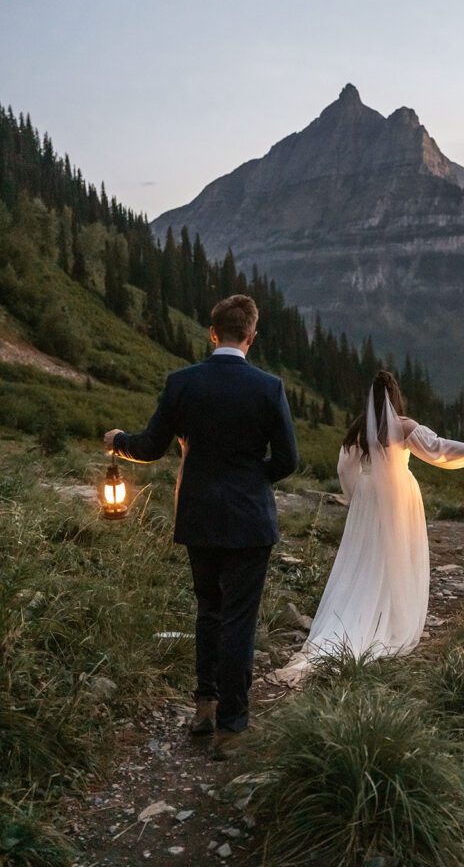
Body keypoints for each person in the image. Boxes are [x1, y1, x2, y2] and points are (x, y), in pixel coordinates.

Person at [103, 294, 298, 759]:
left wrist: (118, 442)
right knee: (239, 621)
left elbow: (150, 447)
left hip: (199, 516)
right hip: (249, 520)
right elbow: (288, 460)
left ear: (213, 334)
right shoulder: (268, 387)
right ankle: (232, 727)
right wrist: (251, 481)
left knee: (209, 610)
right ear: (250, 336)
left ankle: (204, 708)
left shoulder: (181, 383)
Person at [268, 369, 464, 686]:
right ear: (395, 397)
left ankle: (353, 613)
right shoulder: (404, 427)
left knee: (363, 555)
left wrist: (356, 495)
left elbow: (344, 467)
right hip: (397, 494)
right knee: (395, 552)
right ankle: (389, 615)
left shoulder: (358, 430)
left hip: (368, 494)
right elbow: (438, 449)